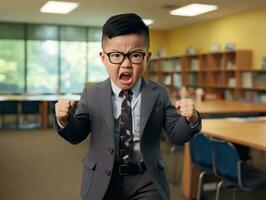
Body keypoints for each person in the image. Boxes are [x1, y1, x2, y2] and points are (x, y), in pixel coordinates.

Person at [55, 13, 201, 200]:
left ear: (147, 57)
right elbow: (77, 135)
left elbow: (177, 134)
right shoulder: (92, 94)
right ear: (103, 58)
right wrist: (64, 119)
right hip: (103, 178)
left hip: (146, 179)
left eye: (135, 55)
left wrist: (191, 119)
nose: (126, 64)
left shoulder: (159, 93)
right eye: (116, 55)